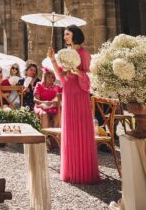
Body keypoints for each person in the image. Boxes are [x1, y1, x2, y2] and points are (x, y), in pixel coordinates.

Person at [48, 25, 99, 184]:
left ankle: (84, 172)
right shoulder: (67, 54)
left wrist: (77, 72)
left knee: (81, 130)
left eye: (67, 34)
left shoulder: (83, 54)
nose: (65, 38)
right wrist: (53, 60)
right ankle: (71, 171)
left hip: (80, 95)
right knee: (69, 131)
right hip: (68, 95)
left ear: (75, 35)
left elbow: (89, 80)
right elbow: (62, 79)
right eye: (64, 35)